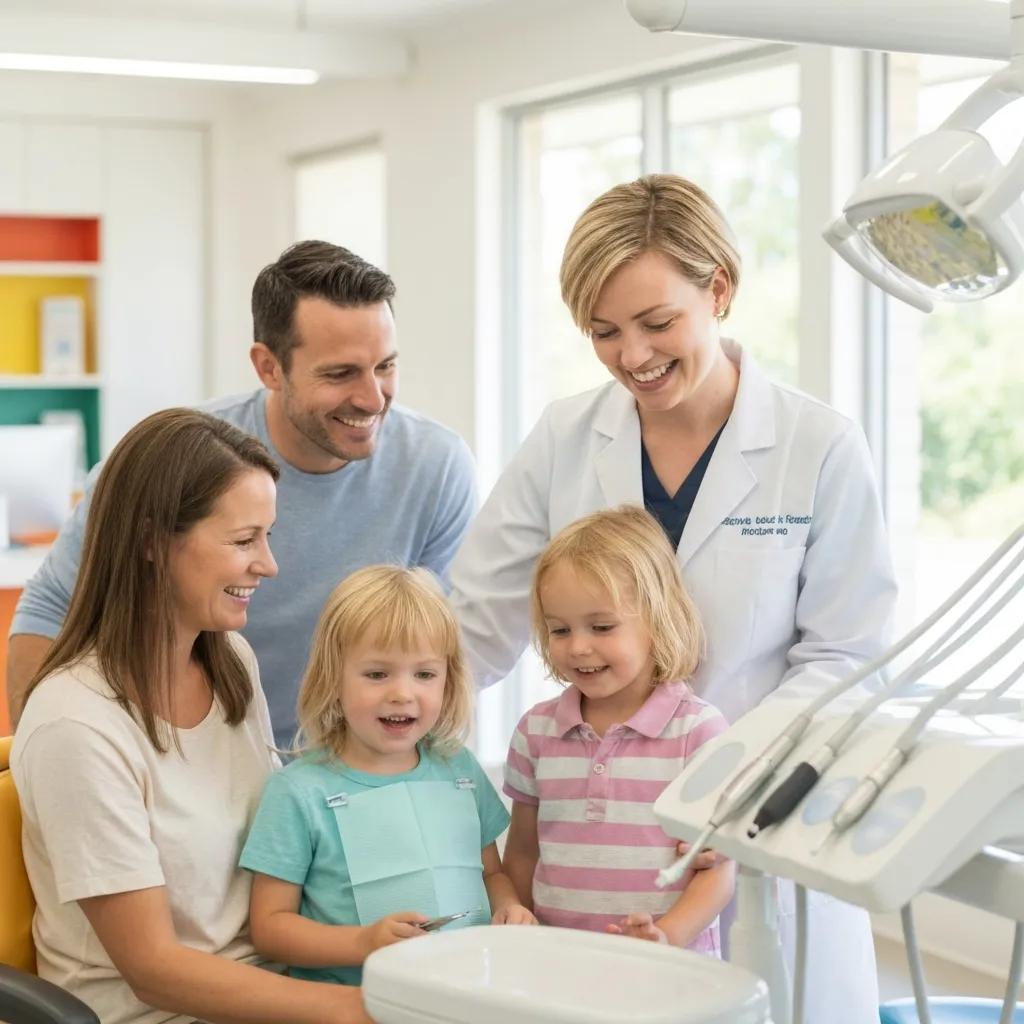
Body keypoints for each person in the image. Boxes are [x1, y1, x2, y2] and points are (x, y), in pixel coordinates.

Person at [449, 174, 898, 1024]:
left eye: (657, 323)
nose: (632, 356)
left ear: (718, 289)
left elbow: (846, 654)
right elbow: (476, 620)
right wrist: (403, 723)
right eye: (604, 331)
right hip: (597, 850)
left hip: (759, 825)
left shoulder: (818, 444)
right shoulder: (567, 438)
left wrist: (723, 771)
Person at [8, 240, 476, 746]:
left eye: (385, 366)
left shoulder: (438, 467)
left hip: (347, 773)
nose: (371, 397)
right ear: (268, 367)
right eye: (340, 373)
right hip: (189, 764)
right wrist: (43, 768)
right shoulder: (173, 462)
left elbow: (435, 650)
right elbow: (50, 613)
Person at [11, 409, 372, 1024]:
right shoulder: (76, 725)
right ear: (153, 540)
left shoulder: (229, 659)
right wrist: (359, 1008)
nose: (269, 564)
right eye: (242, 540)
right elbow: (156, 972)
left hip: (269, 985)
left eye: (268, 535)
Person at [239, 565, 535, 987]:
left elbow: (491, 875)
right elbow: (270, 929)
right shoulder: (297, 792)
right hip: (353, 1005)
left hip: (462, 998)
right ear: (333, 677)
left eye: (425, 674)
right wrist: (363, 942)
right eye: (377, 674)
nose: (402, 692)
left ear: (449, 682)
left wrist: (508, 906)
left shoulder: (460, 770)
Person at [502, 506, 734, 952]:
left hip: (671, 969)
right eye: (559, 629)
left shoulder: (699, 733)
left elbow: (718, 871)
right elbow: (523, 855)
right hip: (561, 964)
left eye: (601, 626)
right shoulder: (536, 732)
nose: (578, 647)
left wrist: (667, 938)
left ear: (657, 618)